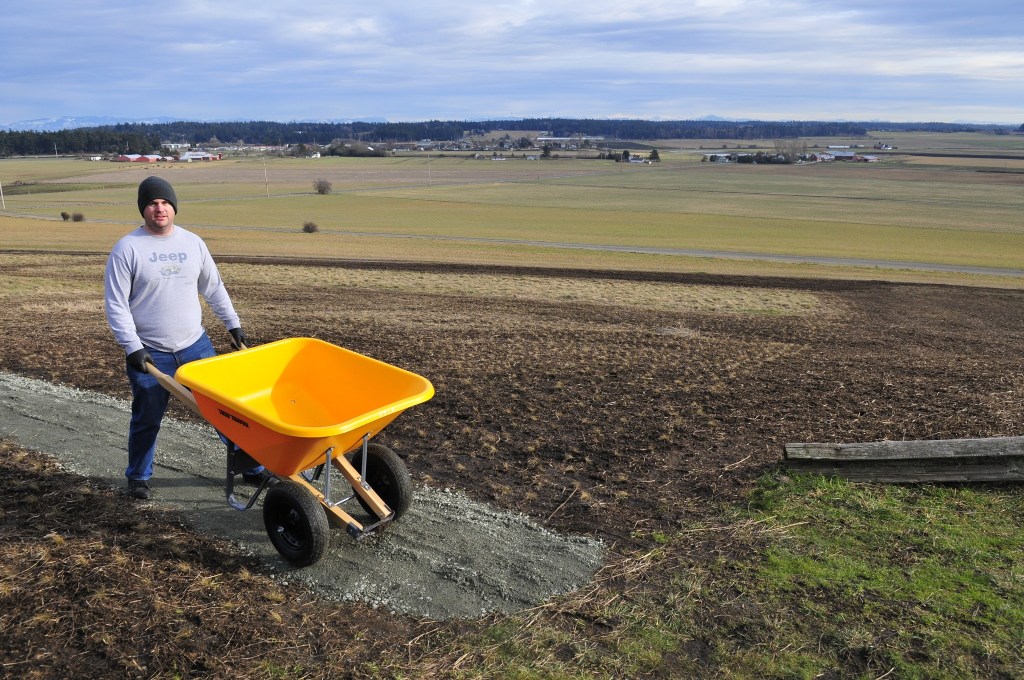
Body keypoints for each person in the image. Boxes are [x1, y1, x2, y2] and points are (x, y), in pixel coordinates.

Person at [104, 176, 262, 499]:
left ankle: (253, 468)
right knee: (146, 418)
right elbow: (116, 305)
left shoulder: (193, 244)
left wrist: (232, 325)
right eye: (151, 203)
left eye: (164, 202)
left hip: (196, 346)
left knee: (226, 411)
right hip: (149, 353)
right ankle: (138, 478)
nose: (158, 208)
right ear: (143, 209)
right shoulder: (127, 250)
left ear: (173, 207)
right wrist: (133, 347)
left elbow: (213, 288)